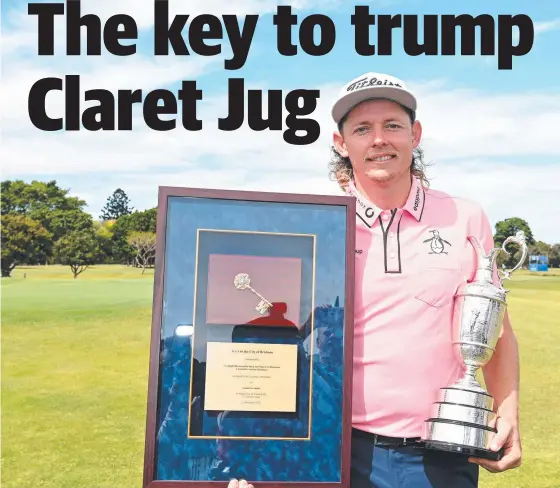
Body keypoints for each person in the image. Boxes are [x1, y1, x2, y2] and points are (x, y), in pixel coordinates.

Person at [226, 72, 522, 488]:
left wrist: (507, 412)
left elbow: (498, 331)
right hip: (338, 451)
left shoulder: (466, 217)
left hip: (440, 454)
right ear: (341, 143)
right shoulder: (314, 226)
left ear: (415, 135)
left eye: (392, 126)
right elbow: (278, 336)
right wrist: (255, 443)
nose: (379, 139)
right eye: (362, 129)